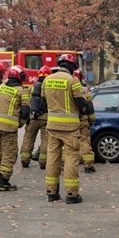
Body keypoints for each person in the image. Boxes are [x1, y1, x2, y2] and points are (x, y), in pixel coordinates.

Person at [42, 53, 87, 204]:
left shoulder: (47, 80)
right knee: (71, 159)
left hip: (52, 126)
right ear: (72, 66)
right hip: (70, 128)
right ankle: (71, 194)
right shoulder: (73, 81)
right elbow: (81, 103)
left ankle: (51, 193)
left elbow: (42, 103)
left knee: (52, 159)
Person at [0, 66, 30, 191]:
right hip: (9, 129)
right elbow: (25, 112)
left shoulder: (1, 87)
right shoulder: (22, 91)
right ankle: (4, 180)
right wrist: (20, 124)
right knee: (9, 154)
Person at [21, 65, 51, 169]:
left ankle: (25, 160)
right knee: (45, 140)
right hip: (46, 118)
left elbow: (27, 101)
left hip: (33, 117)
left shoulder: (31, 87)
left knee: (28, 137)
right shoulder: (49, 87)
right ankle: (43, 162)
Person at [73, 69, 96, 173]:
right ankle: (88, 165)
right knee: (85, 141)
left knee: (68, 143)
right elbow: (90, 106)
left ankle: (64, 164)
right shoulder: (85, 89)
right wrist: (92, 120)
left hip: (70, 121)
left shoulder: (69, 86)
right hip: (83, 120)